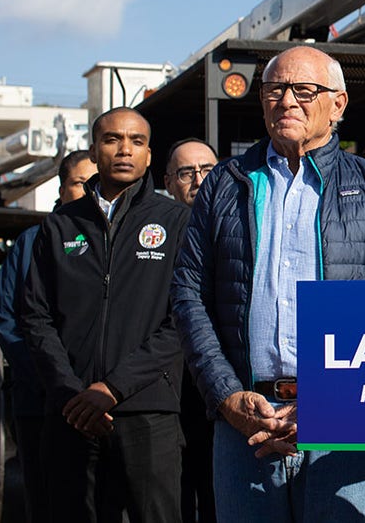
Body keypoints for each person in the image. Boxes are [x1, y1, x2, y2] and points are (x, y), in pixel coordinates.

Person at [171, 45, 365, 521]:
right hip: (245, 419)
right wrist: (226, 395)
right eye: (274, 90)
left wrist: (332, 401)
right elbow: (188, 294)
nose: (286, 101)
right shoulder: (224, 184)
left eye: (304, 90)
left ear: (338, 104)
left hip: (347, 419)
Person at [19, 107, 190, 522]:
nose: (125, 150)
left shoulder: (178, 221)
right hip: (70, 413)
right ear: (94, 151)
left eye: (137, 141)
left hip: (148, 410)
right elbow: (35, 316)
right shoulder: (58, 227)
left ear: (150, 155)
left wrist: (112, 388)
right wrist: (69, 393)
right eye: (113, 140)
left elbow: (184, 317)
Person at [0, 149, 95, 523]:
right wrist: (55, 382)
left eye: (95, 183)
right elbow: (7, 319)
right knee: (47, 503)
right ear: (62, 188)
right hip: (41, 402)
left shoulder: (115, 244)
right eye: (80, 183)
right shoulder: (31, 242)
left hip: (101, 404)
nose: (88, 192)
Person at [162, 138, 220, 523]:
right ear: (169, 182)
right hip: (169, 395)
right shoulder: (153, 237)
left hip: (223, 392)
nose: (198, 179)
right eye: (187, 173)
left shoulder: (241, 229)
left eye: (207, 170)